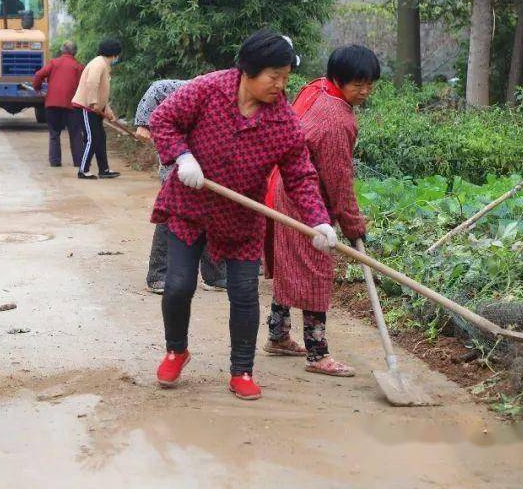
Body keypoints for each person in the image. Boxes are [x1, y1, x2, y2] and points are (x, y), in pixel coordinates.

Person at [148, 29, 337, 401]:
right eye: (274, 77)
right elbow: (162, 120)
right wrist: (183, 157)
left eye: (286, 78)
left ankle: (242, 371)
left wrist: (318, 220)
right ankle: (176, 350)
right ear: (248, 71)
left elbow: (300, 173)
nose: (281, 86)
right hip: (191, 206)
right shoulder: (208, 89)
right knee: (178, 285)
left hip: (241, 218)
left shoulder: (283, 121)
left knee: (245, 295)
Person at [263, 44, 380, 378]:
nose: (365, 91)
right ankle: (317, 354)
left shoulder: (319, 90)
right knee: (316, 273)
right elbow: (338, 181)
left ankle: (278, 334)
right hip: (307, 203)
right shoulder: (336, 121)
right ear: (338, 79)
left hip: (289, 190)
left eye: (370, 83)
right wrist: (353, 224)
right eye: (358, 84)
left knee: (289, 264)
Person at [134, 79, 226, 294]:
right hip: (177, 155)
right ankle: (159, 274)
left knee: (211, 212)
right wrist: (143, 123)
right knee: (171, 211)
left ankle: (215, 276)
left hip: (208, 161)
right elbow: (157, 88)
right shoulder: (204, 88)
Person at [71, 38, 122, 180]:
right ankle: (83, 170)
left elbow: (102, 94)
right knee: (92, 138)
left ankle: (104, 169)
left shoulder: (104, 65)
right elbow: (92, 83)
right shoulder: (99, 64)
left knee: (100, 138)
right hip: (85, 107)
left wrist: (109, 112)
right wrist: (93, 102)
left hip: (94, 108)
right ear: (114, 54)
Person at [32, 41, 86, 168]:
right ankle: (78, 162)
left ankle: (55, 161)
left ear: (62, 50)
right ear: (75, 52)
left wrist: (37, 88)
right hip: (72, 105)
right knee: (75, 134)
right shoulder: (79, 67)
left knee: (54, 133)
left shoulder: (54, 63)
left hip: (52, 104)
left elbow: (39, 74)